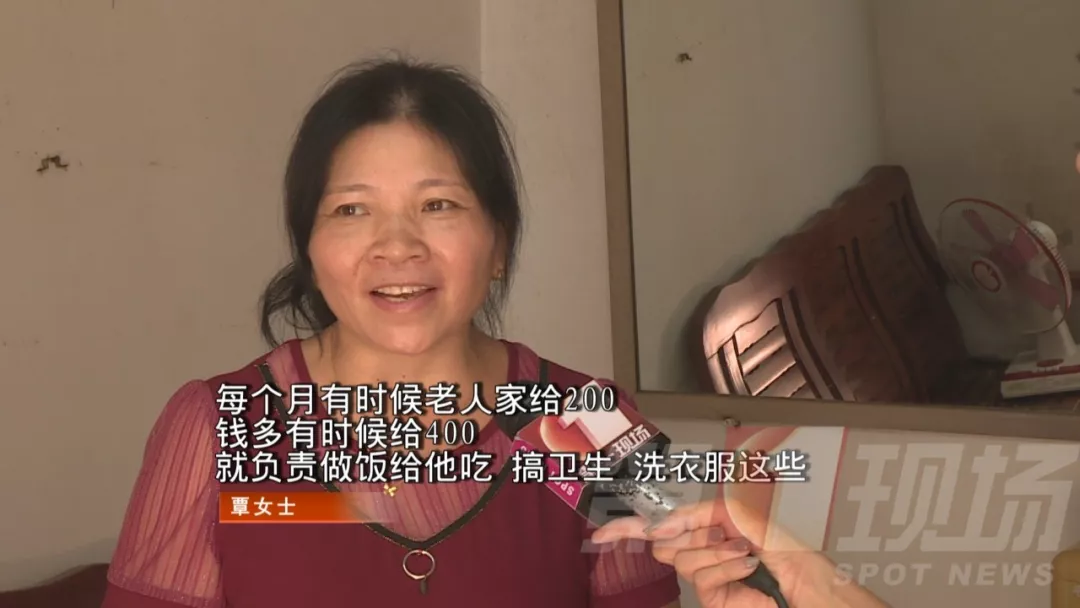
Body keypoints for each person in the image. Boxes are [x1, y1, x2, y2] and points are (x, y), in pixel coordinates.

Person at [101, 57, 889, 608]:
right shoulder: (216, 428)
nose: (397, 246)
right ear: (310, 246)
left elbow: (730, 575)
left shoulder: (591, 426)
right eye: (352, 210)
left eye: (438, 205)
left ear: (500, 241)